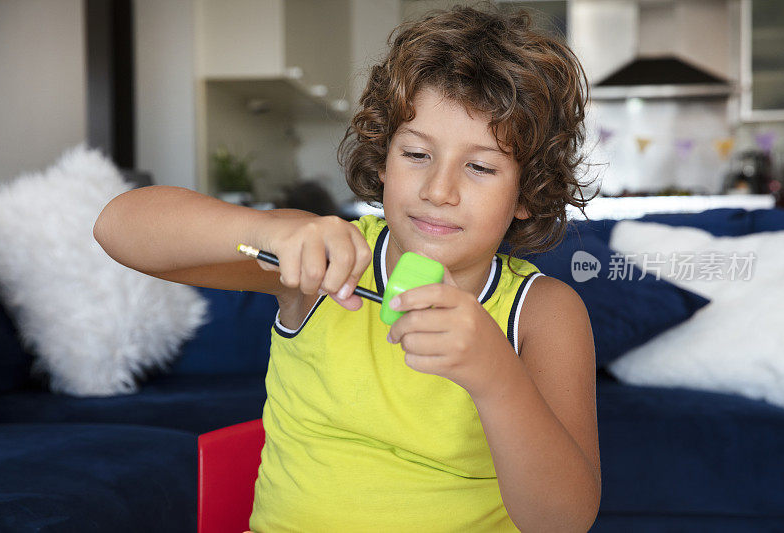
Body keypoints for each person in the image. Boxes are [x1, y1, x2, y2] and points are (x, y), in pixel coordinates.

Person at [94, 3, 601, 531]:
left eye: (479, 166)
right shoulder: (325, 260)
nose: (438, 191)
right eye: (417, 154)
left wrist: (497, 378)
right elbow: (117, 226)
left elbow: (563, 521)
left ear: (528, 191)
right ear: (382, 159)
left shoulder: (543, 313)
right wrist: (267, 231)